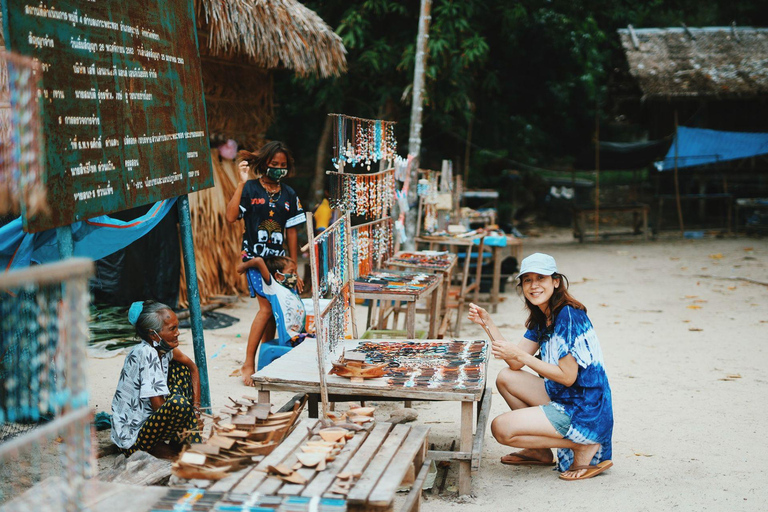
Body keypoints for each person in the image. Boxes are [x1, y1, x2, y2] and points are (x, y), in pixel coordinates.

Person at [467, 252, 613, 481]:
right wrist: (488, 324)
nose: (534, 286)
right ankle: (539, 452)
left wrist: (522, 356)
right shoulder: (543, 316)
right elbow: (515, 361)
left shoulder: (568, 316)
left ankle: (582, 444)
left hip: (583, 407)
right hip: (565, 395)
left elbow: (567, 377)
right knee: (506, 377)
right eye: (527, 280)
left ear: (556, 282)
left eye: (541, 278)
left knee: (501, 429)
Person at [225, 141, 306, 384]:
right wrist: (240, 182)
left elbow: (292, 232)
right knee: (266, 309)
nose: (279, 168)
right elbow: (230, 217)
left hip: (279, 264)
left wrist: (293, 266)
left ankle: (264, 361)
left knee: (274, 313)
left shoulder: (290, 194)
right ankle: (247, 364)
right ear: (264, 164)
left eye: (283, 165)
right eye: (274, 164)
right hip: (253, 259)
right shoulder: (249, 189)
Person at [110, 301, 203, 458]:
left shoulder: (163, 348)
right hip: (133, 439)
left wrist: (195, 409)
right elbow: (158, 408)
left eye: (177, 327)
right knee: (178, 404)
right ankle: (159, 447)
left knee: (180, 369)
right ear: (154, 334)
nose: (178, 333)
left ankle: (178, 443)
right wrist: (190, 423)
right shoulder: (146, 353)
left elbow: (193, 368)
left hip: (151, 424)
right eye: (172, 329)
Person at [237, 255, 307, 377]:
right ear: (279, 276)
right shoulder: (273, 287)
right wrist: (245, 266)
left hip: (299, 334)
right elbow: (259, 261)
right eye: (292, 272)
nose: (296, 275)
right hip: (289, 339)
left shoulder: (291, 289)